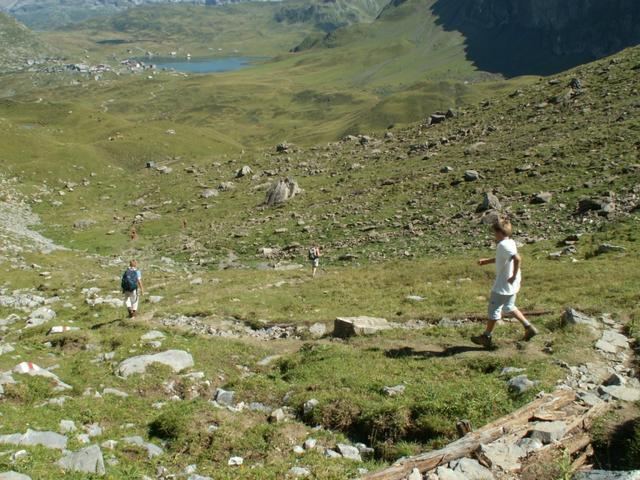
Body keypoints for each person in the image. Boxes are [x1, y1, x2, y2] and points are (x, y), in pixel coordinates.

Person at [472, 219, 538, 348]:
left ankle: (486, 336)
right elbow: (506, 258)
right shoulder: (510, 242)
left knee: (493, 309)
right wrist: (487, 261)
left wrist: (512, 275)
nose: (494, 235)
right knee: (509, 306)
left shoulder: (503, 245)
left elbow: (517, 258)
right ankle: (528, 327)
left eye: (494, 232)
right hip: (512, 285)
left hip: (504, 285)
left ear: (499, 232)